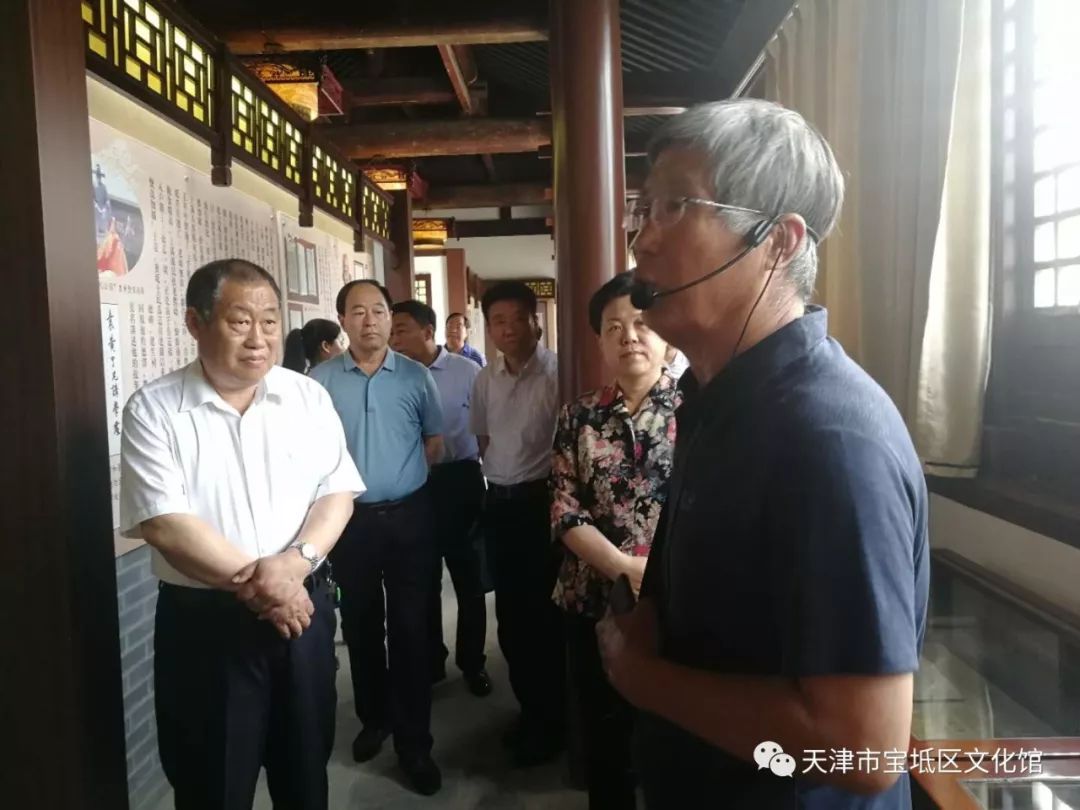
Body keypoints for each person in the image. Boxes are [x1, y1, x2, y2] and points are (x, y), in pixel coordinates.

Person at [596, 99, 930, 809]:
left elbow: (864, 747)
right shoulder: (715, 398)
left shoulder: (829, 440)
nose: (642, 240)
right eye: (643, 209)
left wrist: (644, 677)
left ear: (778, 240)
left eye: (675, 206)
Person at [119, 259, 364, 810]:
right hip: (207, 627)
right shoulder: (155, 408)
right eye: (240, 322)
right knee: (212, 783)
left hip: (304, 615)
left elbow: (337, 493)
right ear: (195, 322)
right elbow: (165, 523)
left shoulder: (307, 397)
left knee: (306, 775)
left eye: (270, 322)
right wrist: (272, 590)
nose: (259, 338)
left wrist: (294, 566)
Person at [310, 280, 446, 796]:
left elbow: (434, 443)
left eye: (379, 311)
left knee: (412, 629)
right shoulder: (320, 381)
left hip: (411, 518)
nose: (369, 320)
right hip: (348, 522)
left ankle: (415, 745)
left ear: (391, 318)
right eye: (358, 311)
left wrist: (398, 476)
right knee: (362, 624)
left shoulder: (416, 376)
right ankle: (375, 718)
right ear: (342, 320)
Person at [551, 272, 680, 809]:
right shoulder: (578, 415)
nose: (629, 336)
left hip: (677, 600)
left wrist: (653, 575)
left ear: (667, 336)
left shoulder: (699, 409)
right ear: (600, 342)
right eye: (614, 327)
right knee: (604, 735)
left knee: (674, 737)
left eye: (642, 323)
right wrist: (623, 567)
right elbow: (564, 507)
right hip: (592, 598)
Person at [470, 280, 564, 767]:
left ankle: (554, 721)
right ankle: (531, 712)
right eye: (497, 321)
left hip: (542, 505)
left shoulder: (559, 372)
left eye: (517, 319)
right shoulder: (485, 379)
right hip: (500, 507)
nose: (507, 329)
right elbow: (483, 441)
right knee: (510, 618)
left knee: (545, 617)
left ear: (536, 321)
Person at [390, 300, 492, 699]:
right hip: (415, 484)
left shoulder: (467, 372)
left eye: (400, 330)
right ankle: (431, 660)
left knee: (468, 578)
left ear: (428, 332)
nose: (393, 339)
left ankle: (473, 662)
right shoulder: (393, 374)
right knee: (422, 577)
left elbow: (485, 430)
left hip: (460, 480)